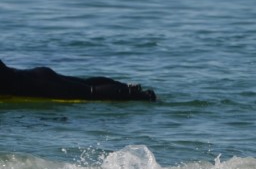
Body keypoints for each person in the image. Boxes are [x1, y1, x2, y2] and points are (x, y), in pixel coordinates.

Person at [0, 60, 156, 101]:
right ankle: (128, 87)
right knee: (86, 84)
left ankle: (143, 96)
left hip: (40, 84)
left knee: (91, 93)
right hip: (38, 75)